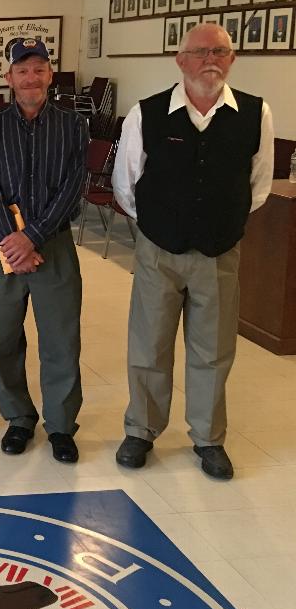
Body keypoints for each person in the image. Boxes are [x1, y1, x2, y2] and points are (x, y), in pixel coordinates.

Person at [112, 24, 275, 480]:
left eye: (220, 52)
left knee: (214, 350)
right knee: (149, 344)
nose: (210, 60)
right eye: (201, 52)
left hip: (219, 252)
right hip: (158, 250)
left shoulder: (255, 114)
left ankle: (208, 437)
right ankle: (141, 430)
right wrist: (159, 226)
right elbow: (126, 184)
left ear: (232, 59)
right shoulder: (147, 113)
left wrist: (220, 224)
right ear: (180, 60)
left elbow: (259, 185)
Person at [0, 39, 88, 463]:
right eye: (22, 70)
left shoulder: (72, 126)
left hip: (53, 246)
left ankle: (60, 424)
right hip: (5, 246)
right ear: (9, 77)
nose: (31, 78)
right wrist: (13, 242)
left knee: (60, 340)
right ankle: (19, 417)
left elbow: (73, 187)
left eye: (39, 69)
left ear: (50, 75)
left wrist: (34, 237)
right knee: (1, 338)